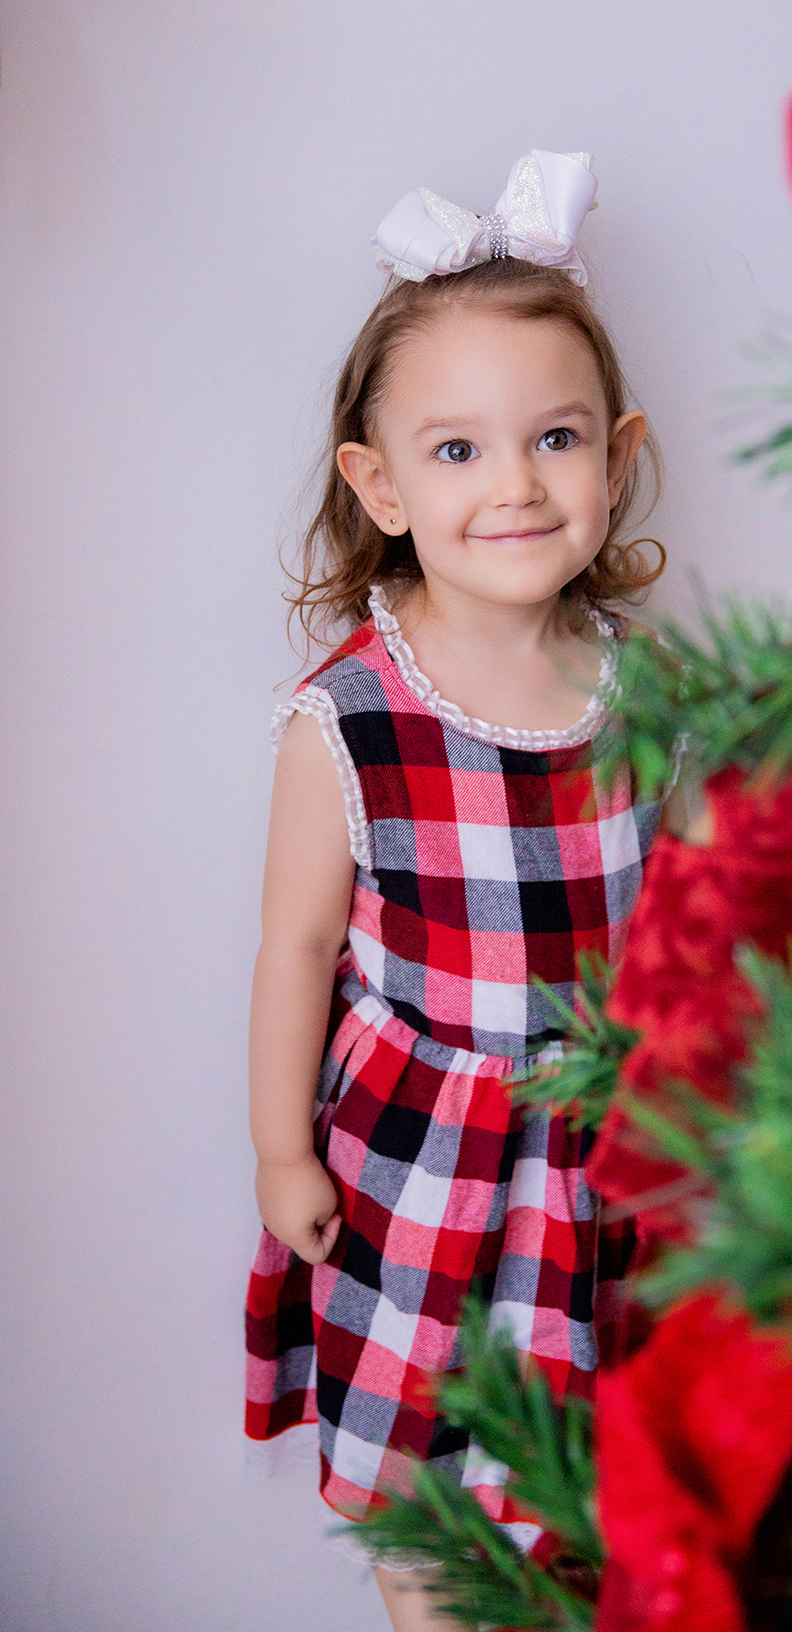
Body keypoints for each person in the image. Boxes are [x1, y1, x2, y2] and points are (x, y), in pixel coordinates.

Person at [244, 151, 665, 1631]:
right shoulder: (349, 714)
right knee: (430, 1503)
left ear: (614, 455)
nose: (518, 485)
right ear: (382, 485)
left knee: (602, 1495)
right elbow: (299, 949)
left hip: (605, 1164)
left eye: (554, 438)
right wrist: (281, 1157)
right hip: (424, 1164)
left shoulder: (650, 689)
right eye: (460, 450)